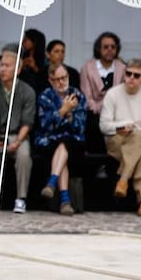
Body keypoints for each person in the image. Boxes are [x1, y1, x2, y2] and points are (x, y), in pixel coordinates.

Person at [0, 45, 36, 214]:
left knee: (24, 155)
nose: (2, 69)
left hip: (19, 135)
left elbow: (28, 121)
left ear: (18, 70)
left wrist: (18, 141)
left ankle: (21, 198)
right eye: (1, 65)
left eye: (7, 66)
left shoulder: (28, 91)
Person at [100, 59, 141, 216]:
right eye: (128, 74)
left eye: (136, 75)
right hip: (117, 138)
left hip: (140, 136)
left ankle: (123, 180)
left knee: (139, 137)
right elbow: (104, 126)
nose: (131, 78)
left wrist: (132, 127)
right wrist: (124, 126)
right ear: (124, 75)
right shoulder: (112, 94)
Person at [36, 63, 87, 216]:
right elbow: (45, 126)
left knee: (65, 143)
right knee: (63, 146)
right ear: (50, 80)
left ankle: (52, 183)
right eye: (56, 79)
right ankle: (65, 201)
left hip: (74, 140)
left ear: (68, 77)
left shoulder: (77, 95)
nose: (61, 82)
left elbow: (80, 127)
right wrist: (63, 110)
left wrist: (69, 115)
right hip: (48, 140)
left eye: (63, 78)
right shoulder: (45, 96)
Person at [18, 28, 48, 93]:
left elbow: (45, 78)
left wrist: (34, 67)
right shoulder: (21, 55)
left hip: (38, 89)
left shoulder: (45, 58)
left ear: (35, 42)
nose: (22, 42)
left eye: (26, 40)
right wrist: (21, 66)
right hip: (22, 88)